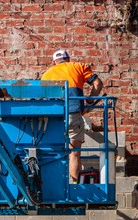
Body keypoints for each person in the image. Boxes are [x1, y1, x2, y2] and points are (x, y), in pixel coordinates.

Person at [41, 50, 103, 183]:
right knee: (74, 153)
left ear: (54, 62)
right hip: (73, 116)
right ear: (68, 58)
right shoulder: (78, 66)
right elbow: (98, 84)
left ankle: (55, 184)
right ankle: (74, 185)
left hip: (53, 119)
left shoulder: (46, 74)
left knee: (54, 153)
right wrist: (90, 100)